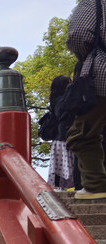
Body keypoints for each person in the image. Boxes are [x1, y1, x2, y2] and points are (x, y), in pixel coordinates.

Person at [66, 0, 106, 199]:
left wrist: (85, 58)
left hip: (102, 74)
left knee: (81, 133)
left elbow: (78, 35)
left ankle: (96, 185)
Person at [42, 76, 76, 189]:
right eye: (69, 83)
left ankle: (57, 190)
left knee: (58, 168)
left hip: (59, 139)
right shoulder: (64, 100)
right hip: (65, 137)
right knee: (70, 167)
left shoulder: (55, 101)